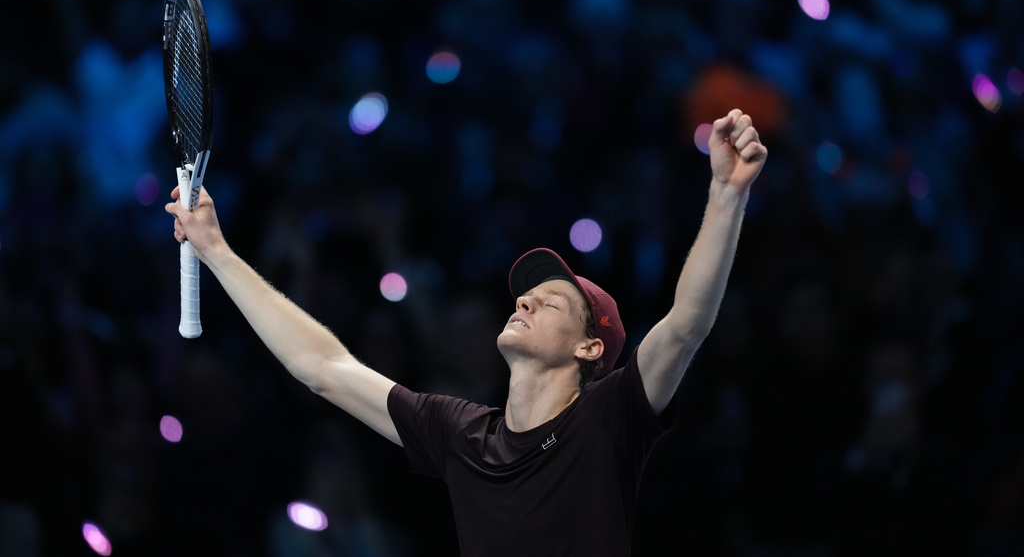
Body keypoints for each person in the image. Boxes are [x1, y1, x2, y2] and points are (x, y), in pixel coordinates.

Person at [165, 108, 767, 556]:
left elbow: (686, 325)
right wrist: (218, 251)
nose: (525, 299)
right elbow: (323, 367)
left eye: (553, 301)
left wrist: (726, 194)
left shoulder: (608, 417)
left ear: (589, 348)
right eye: (527, 294)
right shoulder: (460, 434)